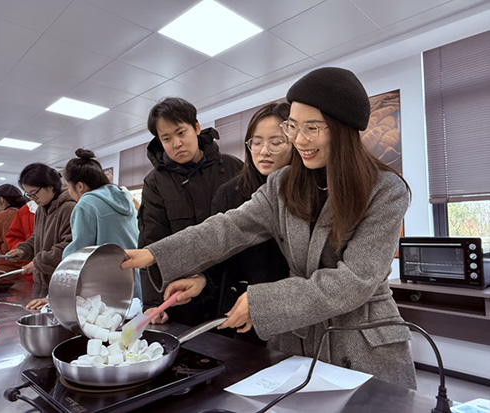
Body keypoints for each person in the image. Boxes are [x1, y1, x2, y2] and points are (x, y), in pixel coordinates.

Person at [122, 67, 417, 389]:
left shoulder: (385, 190)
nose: (299, 140)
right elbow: (230, 227)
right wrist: (154, 254)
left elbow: (355, 280)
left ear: (343, 128)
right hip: (298, 339)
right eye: (293, 126)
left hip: (361, 342)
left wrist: (262, 303)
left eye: (312, 128)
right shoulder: (283, 183)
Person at [138, 97, 243, 326]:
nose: (176, 143)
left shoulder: (233, 167)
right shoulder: (155, 182)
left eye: (181, 133)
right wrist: (152, 303)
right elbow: (151, 242)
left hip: (232, 289)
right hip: (181, 298)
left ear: (196, 127)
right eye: (167, 138)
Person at [210, 102, 293, 345]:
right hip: (239, 311)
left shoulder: (305, 193)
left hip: (290, 312)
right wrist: (200, 278)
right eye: (256, 142)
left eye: (276, 142)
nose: (264, 151)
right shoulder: (229, 193)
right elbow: (215, 250)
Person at [26, 149, 142, 309]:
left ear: (80, 186)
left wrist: (53, 296)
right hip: (134, 280)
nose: (69, 192)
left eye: (69, 187)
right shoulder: (123, 198)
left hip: (108, 289)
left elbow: (76, 255)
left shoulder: (86, 204)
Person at [7, 163, 75, 289]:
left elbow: (70, 246)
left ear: (50, 186)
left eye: (34, 193)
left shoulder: (69, 208)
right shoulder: (41, 209)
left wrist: (40, 262)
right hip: (43, 280)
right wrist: (23, 250)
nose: (32, 199)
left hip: (62, 282)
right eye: (28, 195)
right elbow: (37, 237)